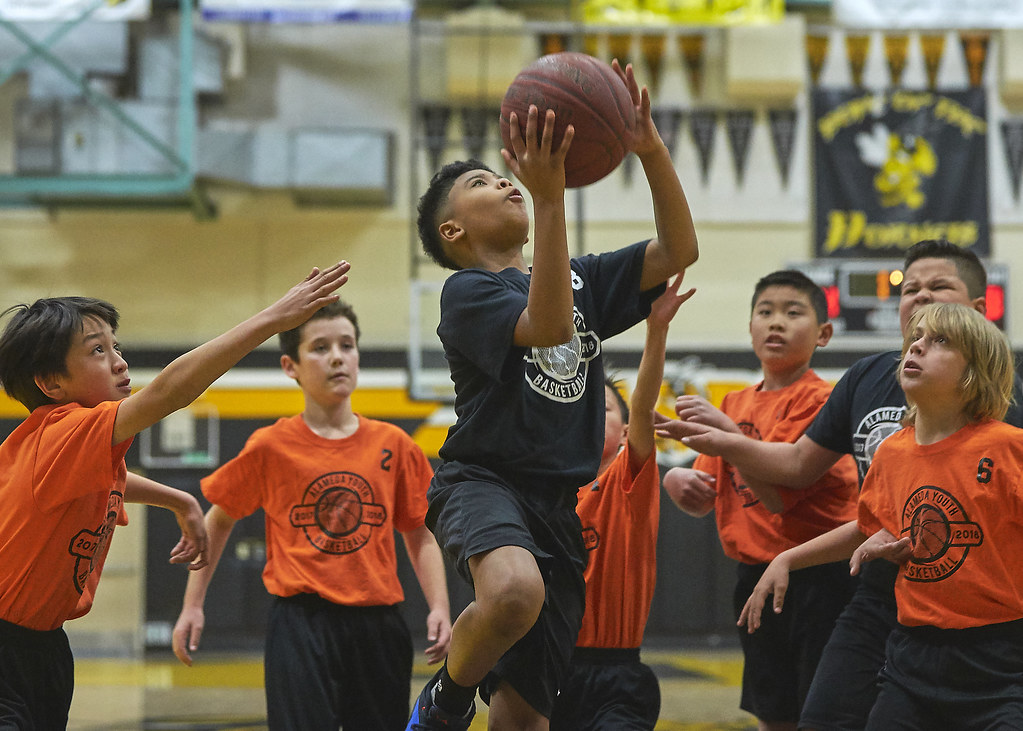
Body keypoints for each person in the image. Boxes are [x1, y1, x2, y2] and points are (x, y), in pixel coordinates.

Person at [408, 57, 698, 731]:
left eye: (500, 174)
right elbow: (545, 327)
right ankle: (446, 701)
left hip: (556, 507)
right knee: (512, 591)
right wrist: (548, 198)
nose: (504, 181)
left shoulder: (578, 277)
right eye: (482, 183)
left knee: (523, 721)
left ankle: (469, 699)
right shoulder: (467, 292)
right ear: (453, 232)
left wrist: (648, 149)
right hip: (483, 479)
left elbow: (677, 247)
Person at [659, 239, 1023, 731]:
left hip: (990, 631)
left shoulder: (1006, 426)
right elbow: (815, 484)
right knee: (820, 715)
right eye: (910, 288)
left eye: (939, 287)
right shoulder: (882, 413)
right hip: (888, 607)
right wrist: (784, 551)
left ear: (980, 315)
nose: (921, 298)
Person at [0, 261, 350, 729]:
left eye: (115, 346)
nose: (119, 360)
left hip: (43, 646)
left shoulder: (64, 451)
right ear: (51, 384)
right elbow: (168, 392)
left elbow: (115, 479)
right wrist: (272, 319)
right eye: (97, 351)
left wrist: (178, 500)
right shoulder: (61, 429)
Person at [171, 300, 451, 731]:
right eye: (320, 347)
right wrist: (193, 605)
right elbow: (219, 518)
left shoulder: (394, 443)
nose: (337, 356)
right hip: (300, 623)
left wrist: (439, 606)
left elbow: (420, 533)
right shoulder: (271, 445)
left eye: (347, 345)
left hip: (377, 623)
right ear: (291, 365)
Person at [661, 270, 858, 731]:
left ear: (824, 333)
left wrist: (728, 438)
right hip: (754, 575)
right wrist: (676, 484)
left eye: (794, 313)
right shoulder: (733, 403)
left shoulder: (823, 402)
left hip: (818, 574)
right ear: (749, 327)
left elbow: (776, 497)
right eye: (765, 312)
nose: (776, 323)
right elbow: (704, 497)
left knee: (822, 708)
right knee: (771, 707)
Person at [851, 302, 1023, 729]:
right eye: (915, 339)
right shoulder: (891, 453)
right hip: (914, 656)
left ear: (974, 371)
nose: (918, 347)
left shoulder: (1007, 448)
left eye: (940, 341)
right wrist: (881, 539)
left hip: (1001, 661)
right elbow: (887, 523)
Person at [550, 275, 694, 730]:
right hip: (547, 670)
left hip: (615, 672)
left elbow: (644, 402)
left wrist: (657, 329)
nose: (591, 414)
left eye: (605, 408)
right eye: (581, 406)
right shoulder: (540, 493)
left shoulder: (626, 480)